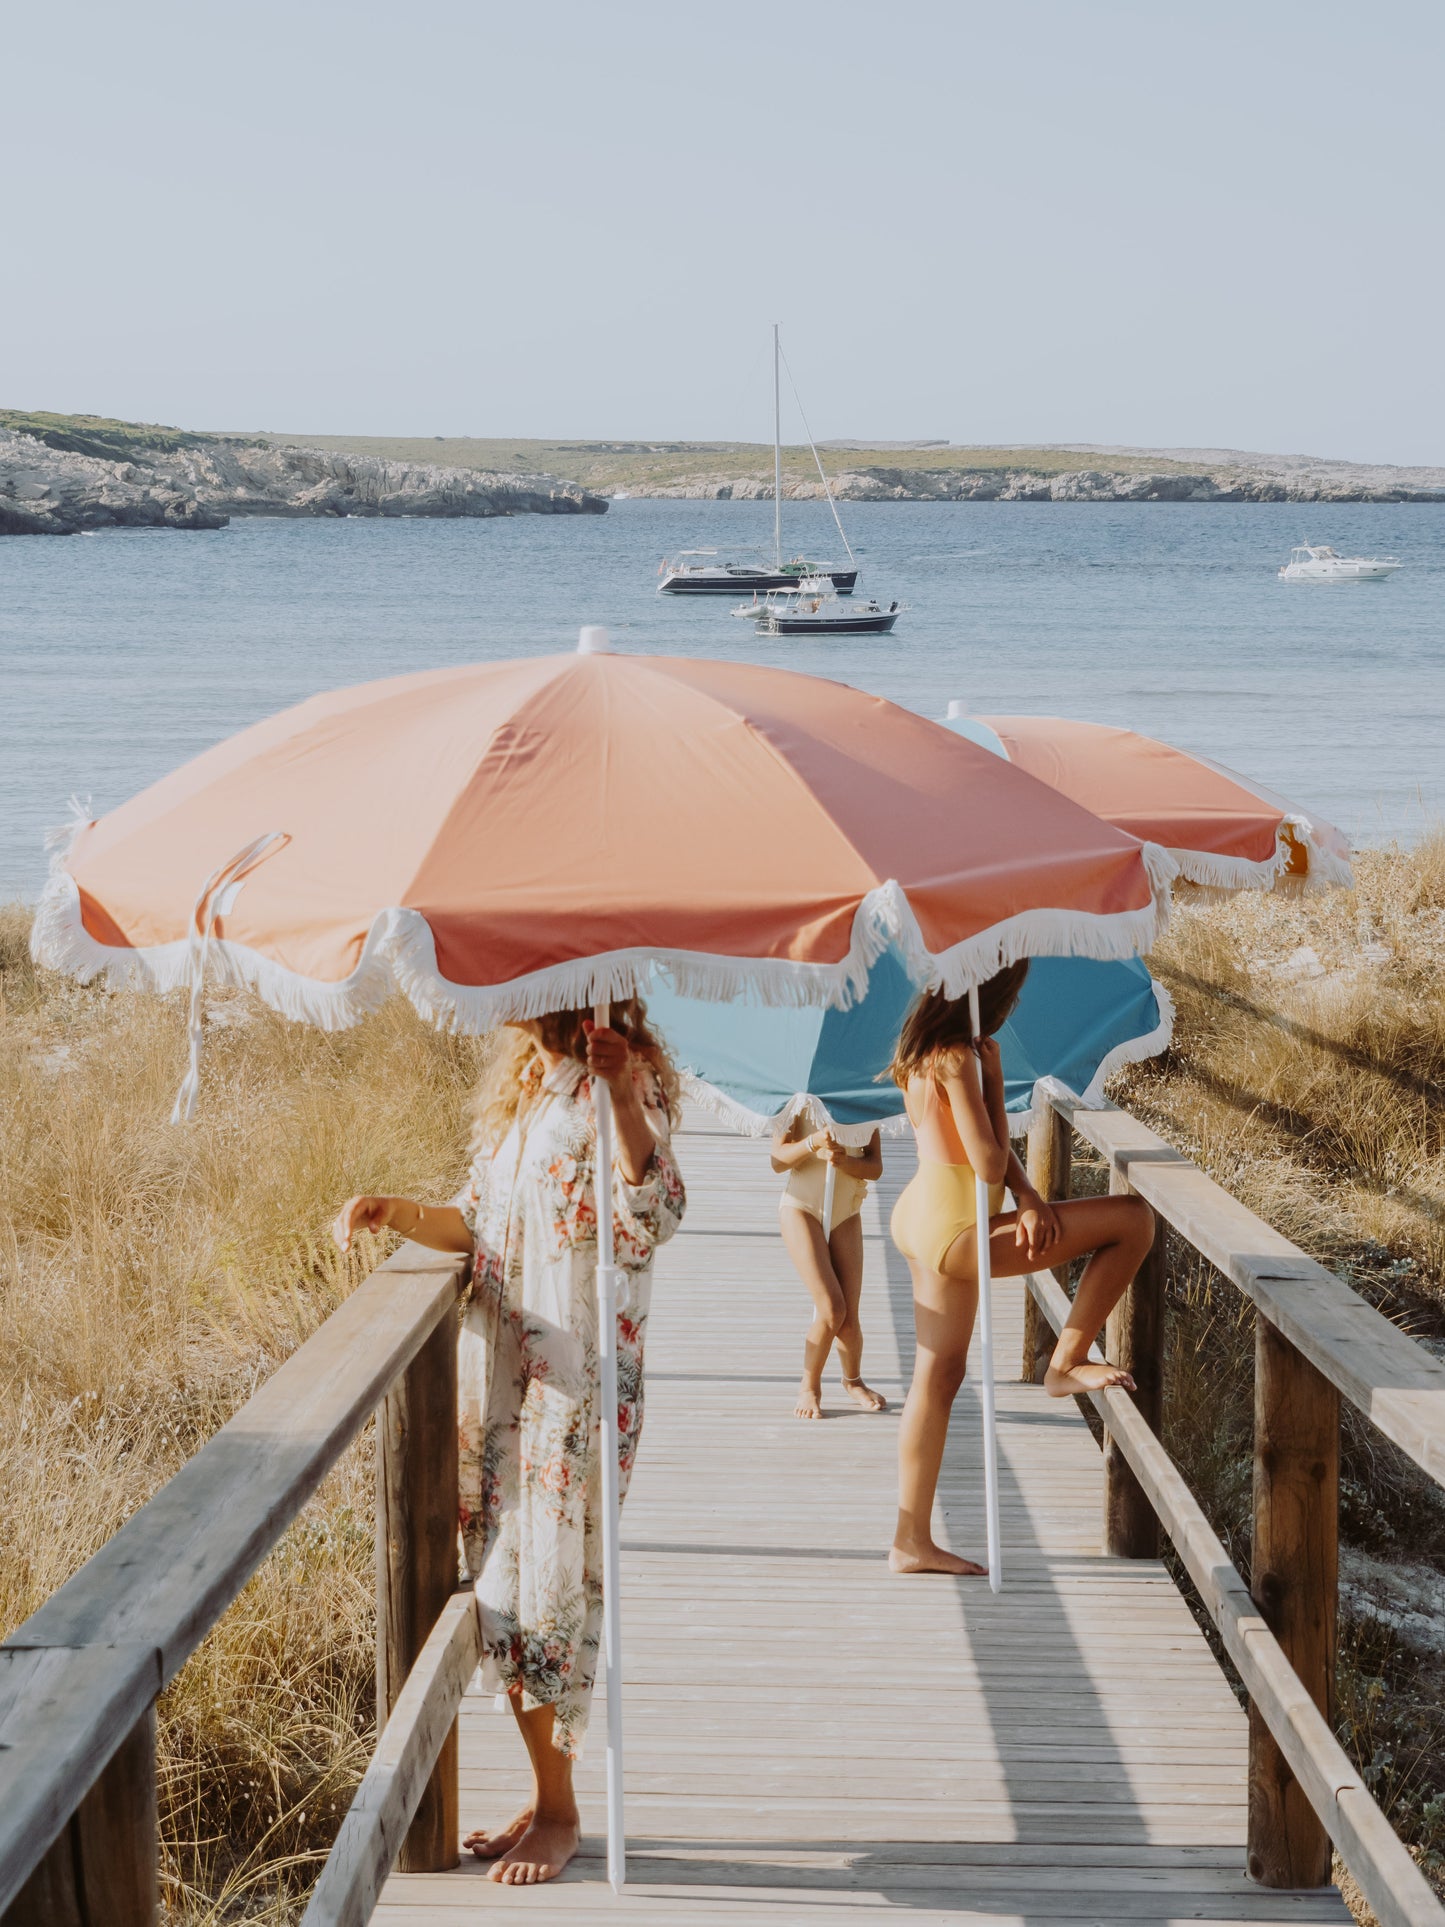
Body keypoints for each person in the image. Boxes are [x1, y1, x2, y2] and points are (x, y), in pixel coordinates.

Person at [333, 1002, 685, 1887]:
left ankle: (562, 1812)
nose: (500, 991)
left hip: (576, 1383)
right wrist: (396, 1211)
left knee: (539, 1585)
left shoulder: (622, 1073)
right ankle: (547, 1787)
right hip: (501, 1387)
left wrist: (618, 1094)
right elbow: (479, 1225)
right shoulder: (524, 1088)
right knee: (505, 1582)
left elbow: (651, 1205)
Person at [886, 963, 1155, 1577]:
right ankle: (1064, 1364)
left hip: (923, 1214)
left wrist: (1029, 1197)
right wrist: (997, 1079)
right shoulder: (962, 1058)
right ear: (991, 996)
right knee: (1133, 1221)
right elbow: (985, 1161)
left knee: (938, 1375)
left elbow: (976, 1152)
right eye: (1012, 994)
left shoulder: (924, 1053)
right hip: (956, 1228)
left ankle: (910, 1538)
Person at [771, 1114, 887, 1419]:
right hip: (801, 1208)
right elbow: (778, 1160)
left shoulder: (863, 1102)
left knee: (849, 1322)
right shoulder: (799, 1102)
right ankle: (809, 1386)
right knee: (832, 1309)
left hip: (846, 1213)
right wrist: (813, 1143)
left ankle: (854, 1381)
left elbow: (875, 1166)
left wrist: (843, 1161)